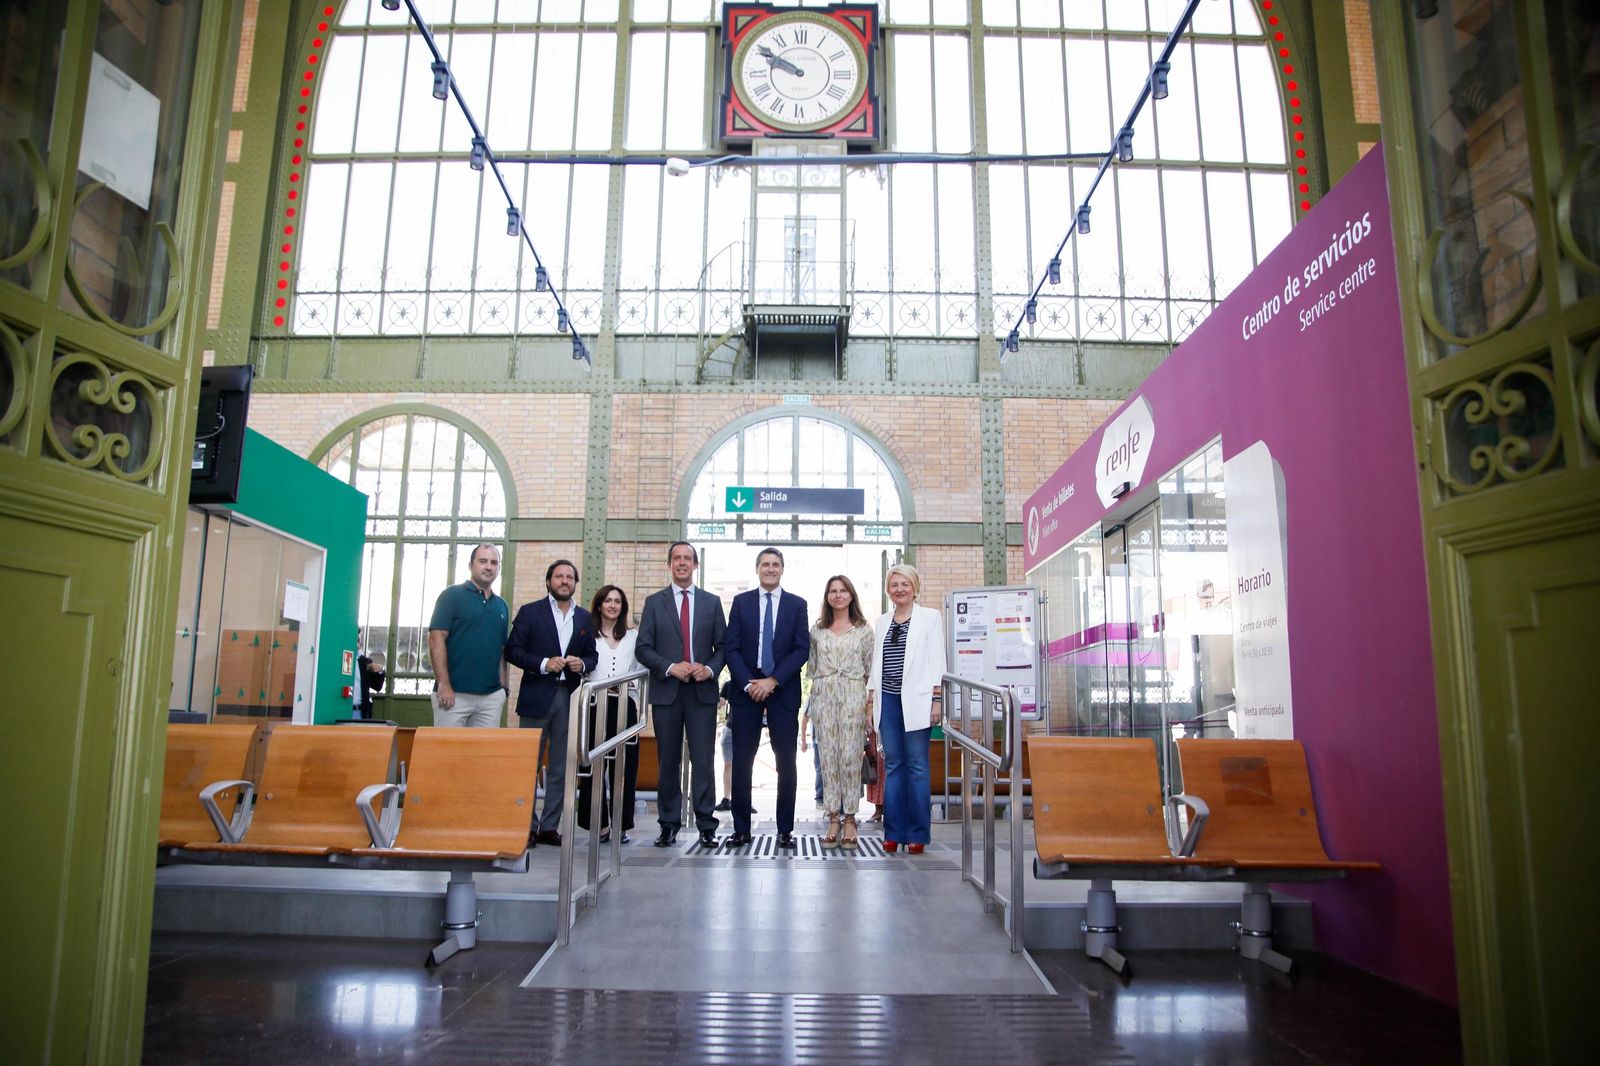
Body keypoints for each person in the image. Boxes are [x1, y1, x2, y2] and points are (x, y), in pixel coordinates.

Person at [635, 542, 726, 849]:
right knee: (668, 761)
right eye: (677, 558)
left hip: (701, 693)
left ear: (695, 565)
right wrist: (670, 666)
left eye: (688, 558)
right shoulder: (654, 603)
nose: (682, 563)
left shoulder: (712, 603)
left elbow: (724, 647)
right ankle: (669, 824)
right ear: (670, 564)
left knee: (703, 760)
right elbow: (643, 648)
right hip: (667, 693)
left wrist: (709, 670)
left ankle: (706, 824)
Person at [504, 559, 597, 846]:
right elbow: (512, 651)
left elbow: (593, 656)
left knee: (561, 767)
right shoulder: (530, 612)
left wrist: (581, 663)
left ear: (575, 583)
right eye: (559, 576)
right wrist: (544, 663)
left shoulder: (584, 618)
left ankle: (548, 827)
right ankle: (526, 827)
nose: (565, 581)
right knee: (527, 765)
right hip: (536, 697)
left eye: (570, 577)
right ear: (549, 582)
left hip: (569, 698)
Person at [722, 548, 809, 848]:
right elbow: (730, 648)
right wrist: (749, 684)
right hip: (746, 693)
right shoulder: (741, 602)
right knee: (742, 761)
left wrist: (773, 681)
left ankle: (785, 829)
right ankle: (741, 829)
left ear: (782, 569)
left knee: (786, 762)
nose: (770, 569)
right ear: (757, 569)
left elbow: (801, 650)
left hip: (782, 691)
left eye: (775, 565)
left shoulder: (797, 605)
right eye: (765, 565)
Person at [867, 563, 947, 855]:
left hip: (918, 699)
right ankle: (893, 831)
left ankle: (917, 834)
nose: (899, 589)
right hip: (887, 699)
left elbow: (937, 660)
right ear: (889, 590)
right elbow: (877, 663)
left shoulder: (929, 618)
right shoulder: (882, 621)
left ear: (915, 587)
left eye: (905, 584)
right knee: (893, 766)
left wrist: (937, 699)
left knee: (917, 766)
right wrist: (871, 699)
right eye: (894, 585)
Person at [806, 575, 874, 849]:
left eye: (843, 590)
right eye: (832, 591)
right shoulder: (817, 631)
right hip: (824, 696)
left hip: (852, 696)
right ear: (827, 597)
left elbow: (870, 670)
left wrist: (868, 704)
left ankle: (850, 818)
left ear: (851, 595)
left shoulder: (864, 631)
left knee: (849, 757)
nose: (837, 595)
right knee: (828, 758)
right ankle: (832, 816)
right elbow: (812, 667)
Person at [577, 584, 642, 844]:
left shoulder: (632, 637)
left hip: (624, 704)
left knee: (624, 768)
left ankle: (621, 825)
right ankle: (598, 824)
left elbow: (641, 669)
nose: (612, 605)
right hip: (594, 705)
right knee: (593, 766)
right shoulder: (587, 636)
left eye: (617, 601)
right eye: (607, 601)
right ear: (599, 605)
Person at [426, 544, 510, 727]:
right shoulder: (451, 595)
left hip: (491, 698)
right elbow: (436, 638)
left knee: (482, 754)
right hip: (454, 695)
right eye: (482, 561)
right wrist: (443, 684)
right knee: (447, 753)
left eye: (494, 563)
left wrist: (504, 687)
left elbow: (503, 650)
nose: (489, 566)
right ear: (471, 565)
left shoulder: (501, 605)